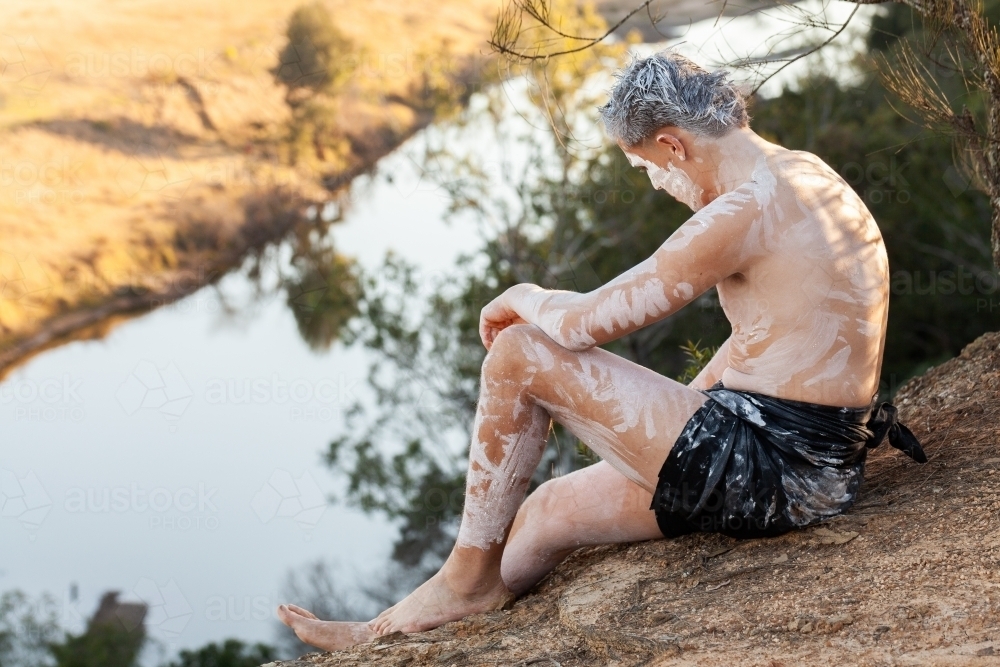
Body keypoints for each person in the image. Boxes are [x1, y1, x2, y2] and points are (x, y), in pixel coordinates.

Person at [277, 50, 925, 651]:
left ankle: (465, 582)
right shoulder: (803, 172)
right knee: (544, 511)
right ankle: (389, 629)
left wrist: (523, 293)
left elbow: (584, 323)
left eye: (646, 167)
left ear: (673, 144)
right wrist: (690, 411)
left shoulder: (744, 208)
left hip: (777, 471)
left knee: (520, 353)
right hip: (807, 461)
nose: (652, 183)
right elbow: (761, 334)